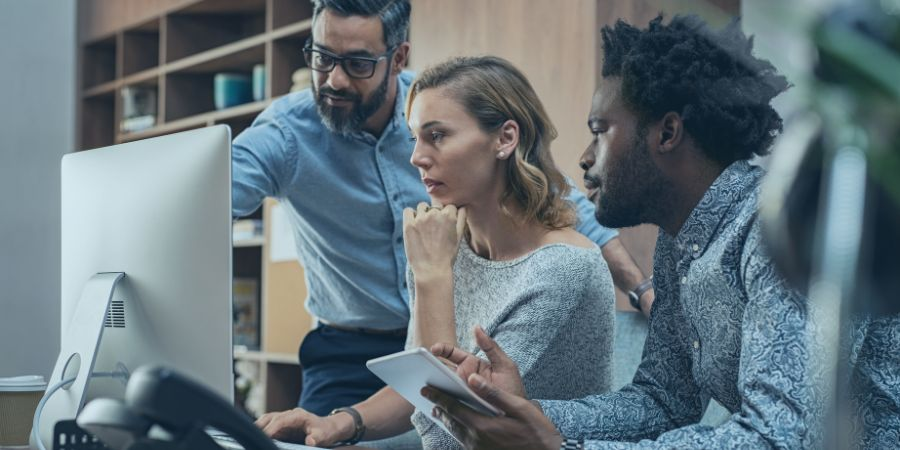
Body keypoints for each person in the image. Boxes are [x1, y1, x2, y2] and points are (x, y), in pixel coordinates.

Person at [415, 14, 899, 449]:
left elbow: (780, 438)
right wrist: (529, 416)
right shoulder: (679, 242)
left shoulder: (773, 227)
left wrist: (558, 448)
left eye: (600, 129)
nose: (585, 157)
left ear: (667, 134)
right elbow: (663, 401)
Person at [232, 0, 650, 421]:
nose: (334, 79)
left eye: (358, 63)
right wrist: (346, 423)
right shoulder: (286, 133)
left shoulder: (441, 107)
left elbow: (448, 424)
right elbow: (212, 197)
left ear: (397, 58)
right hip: (350, 348)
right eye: (323, 58)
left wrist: (642, 290)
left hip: (445, 350)